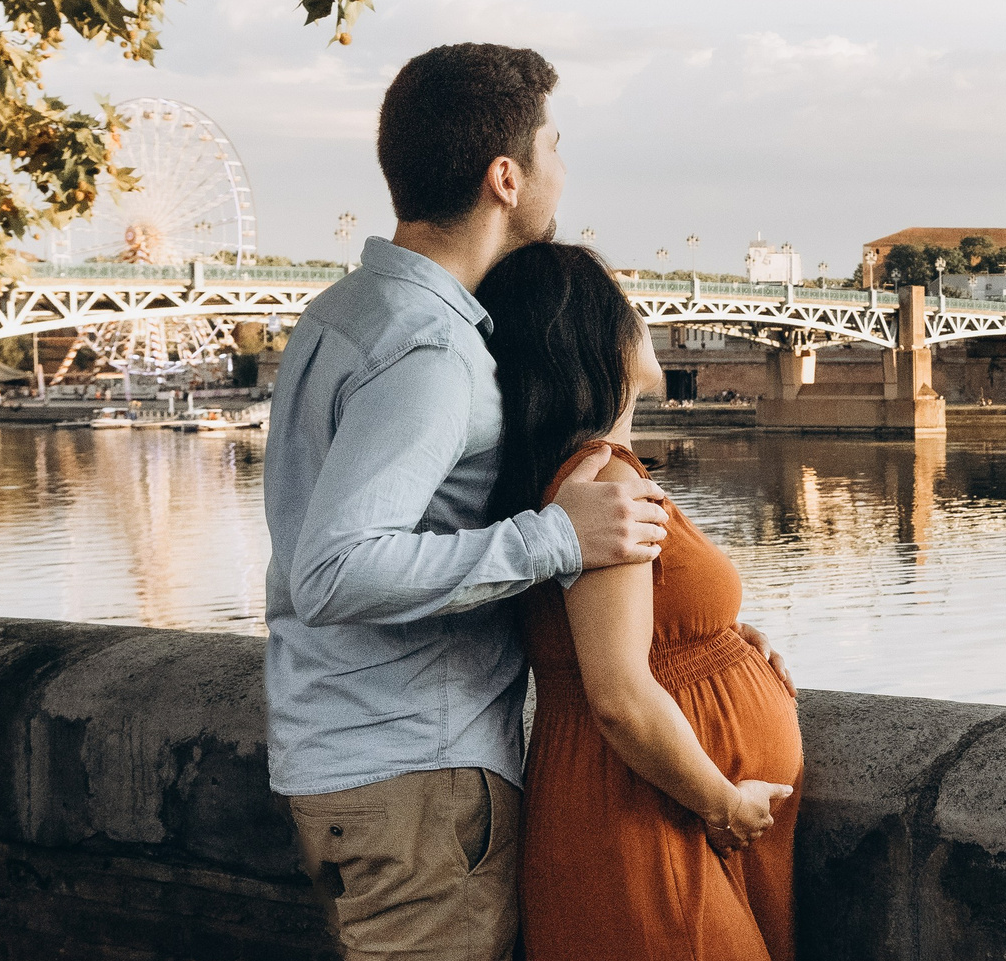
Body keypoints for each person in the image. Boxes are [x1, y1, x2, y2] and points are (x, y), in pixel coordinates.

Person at [263, 44, 701, 961]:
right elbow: (335, 569)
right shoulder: (431, 351)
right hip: (417, 771)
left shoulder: (342, 313)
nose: (563, 170)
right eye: (554, 145)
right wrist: (554, 539)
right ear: (506, 176)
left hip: (338, 754)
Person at [480, 243, 803, 961]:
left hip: (648, 807)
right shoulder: (605, 489)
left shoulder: (581, 476)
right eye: (625, 307)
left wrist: (722, 640)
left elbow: (626, 630)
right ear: (593, 339)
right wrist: (724, 806)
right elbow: (620, 693)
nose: (642, 319)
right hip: (644, 818)